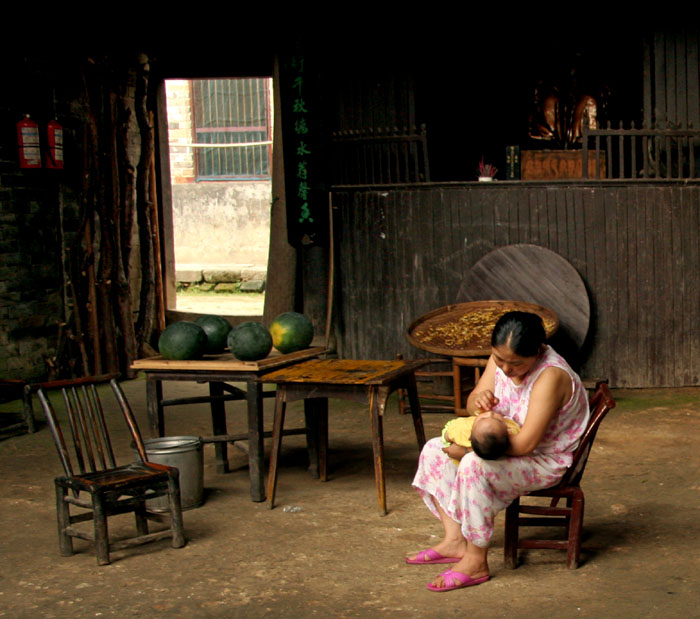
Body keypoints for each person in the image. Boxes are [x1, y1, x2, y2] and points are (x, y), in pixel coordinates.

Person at [406, 311, 590, 592]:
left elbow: (526, 443)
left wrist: (468, 448)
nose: (505, 368)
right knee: (435, 450)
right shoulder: (501, 359)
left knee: (473, 465)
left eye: (515, 363)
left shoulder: (551, 375)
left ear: (538, 350)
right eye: (499, 358)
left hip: (543, 458)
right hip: (500, 442)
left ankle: (476, 560)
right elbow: (471, 404)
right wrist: (478, 400)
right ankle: (455, 540)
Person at [440, 414, 521, 464]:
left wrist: (465, 451)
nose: (490, 413)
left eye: (497, 420)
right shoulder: (468, 433)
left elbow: (447, 435)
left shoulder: (466, 433)